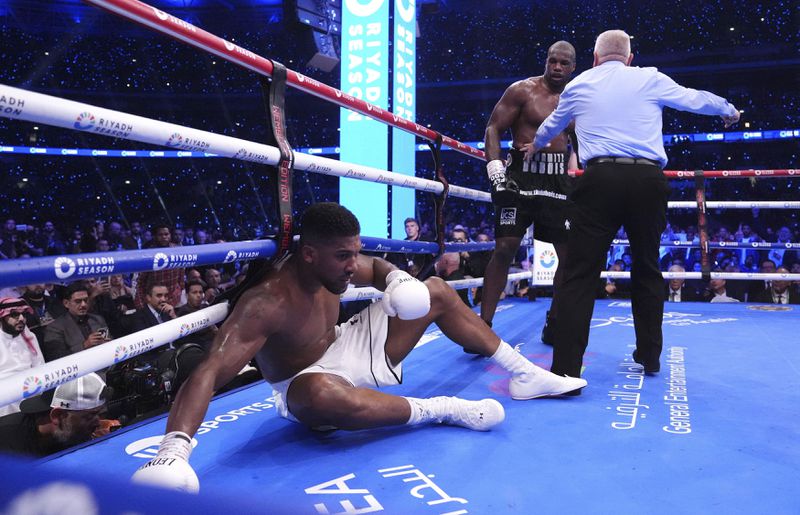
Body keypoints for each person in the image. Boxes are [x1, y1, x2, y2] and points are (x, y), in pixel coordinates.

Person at [132, 203, 587, 492]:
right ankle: (443, 408)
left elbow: (377, 266)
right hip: (306, 382)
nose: (354, 265)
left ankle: (523, 373)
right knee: (321, 398)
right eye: (343, 256)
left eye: (355, 253)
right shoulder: (266, 303)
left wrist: (398, 279)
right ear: (308, 254)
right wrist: (175, 447)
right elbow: (210, 370)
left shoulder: (338, 266)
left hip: (351, 348)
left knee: (434, 290)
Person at [527, 29, 740, 379]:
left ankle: (565, 369)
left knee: (580, 274)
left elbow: (552, 126)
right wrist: (727, 109)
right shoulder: (648, 77)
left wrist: (535, 145)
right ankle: (649, 357)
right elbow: (693, 98)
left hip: (598, 181)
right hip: (646, 181)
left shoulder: (579, 85)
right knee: (646, 267)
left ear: (595, 58)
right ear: (629, 57)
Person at [481, 41, 577, 344]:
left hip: (558, 179)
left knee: (568, 254)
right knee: (504, 247)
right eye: (553, 61)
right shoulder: (523, 90)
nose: (557, 68)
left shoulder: (577, 98)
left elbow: (583, 140)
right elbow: (493, 128)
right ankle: (483, 326)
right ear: (546, 61)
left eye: (564, 63)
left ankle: (556, 320)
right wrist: (495, 169)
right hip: (520, 177)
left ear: (573, 67)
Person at [0, 373, 109, 457]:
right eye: (90, 416)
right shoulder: (7, 447)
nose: (98, 423)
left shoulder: (68, 431)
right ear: (58, 416)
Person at [42, 282, 112, 362]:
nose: (83, 304)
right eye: (78, 301)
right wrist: (84, 345)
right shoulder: (54, 328)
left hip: (104, 365)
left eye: (85, 300)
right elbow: (56, 357)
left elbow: (110, 340)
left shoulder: (98, 319)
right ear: (66, 303)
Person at [0, 298, 46, 417]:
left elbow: (40, 366)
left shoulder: (29, 336)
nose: (21, 319)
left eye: (24, 314)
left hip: (31, 388)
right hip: (6, 397)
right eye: (15, 315)